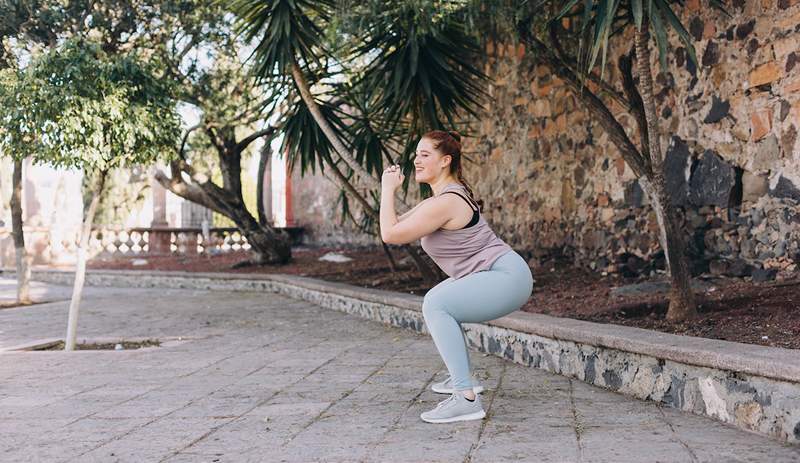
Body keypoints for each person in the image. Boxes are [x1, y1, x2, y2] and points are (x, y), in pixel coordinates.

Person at [379, 130, 534, 424]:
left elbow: (389, 234)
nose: (417, 161)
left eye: (425, 155)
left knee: (436, 303)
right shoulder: (439, 199)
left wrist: (387, 191)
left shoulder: (446, 202)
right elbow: (396, 223)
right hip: (494, 274)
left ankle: (465, 398)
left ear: (445, 161)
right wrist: (390, 192)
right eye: (416, 155)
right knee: (440, 302)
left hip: (506, 276)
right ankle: (462, 379)